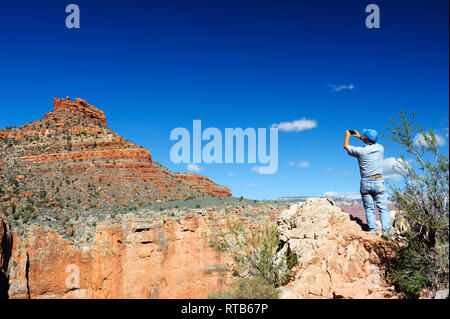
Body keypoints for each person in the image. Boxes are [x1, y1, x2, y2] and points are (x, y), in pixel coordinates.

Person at [343, 129, 392, 239]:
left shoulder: (361, 151)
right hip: (378, 181)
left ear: (366, 139)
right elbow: (370, 141)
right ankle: (387, 232)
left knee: (369, 208)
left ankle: (373, 232)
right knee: (383, 208)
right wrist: (361, 137)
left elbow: (346, 146)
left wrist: (348, 136)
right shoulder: (380, 148)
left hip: (365, 182)